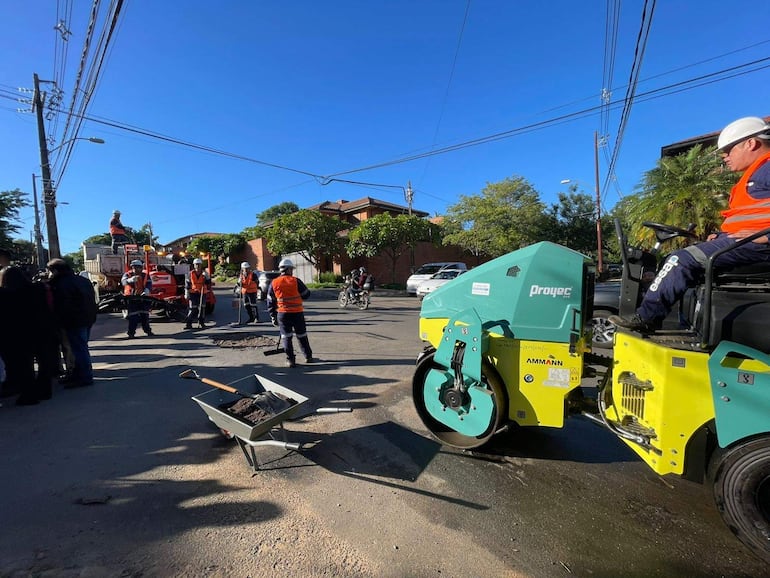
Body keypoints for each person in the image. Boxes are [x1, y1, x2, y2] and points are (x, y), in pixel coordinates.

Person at [610, 116, 770, 332]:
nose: (724, 156)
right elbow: (749, 216)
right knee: (677, 262)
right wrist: (720, 235)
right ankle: (690, 326)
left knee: (680, 259)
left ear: (750, 143)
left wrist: (767, 236)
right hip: (744, 242)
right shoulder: (754, 174)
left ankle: (646, 317)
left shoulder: (766, 169)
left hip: (759, 247)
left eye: (728, 150)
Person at [47, 258, 98, 388]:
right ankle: (77, 374)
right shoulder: (83, 280)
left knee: (79, 349)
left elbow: (62, 305)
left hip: (74, 321)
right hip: (87, 318)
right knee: (80, 348)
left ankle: (85, 377)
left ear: (56, 271)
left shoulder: (61, 284)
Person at [267, 258, 314, 368]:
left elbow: (270, 301)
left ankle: (290, 360)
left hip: (283, 314)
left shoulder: (274, 283)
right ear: (288, 269)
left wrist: (273, 316)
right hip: (297, 313)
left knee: (286, 337)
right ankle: (308, 357)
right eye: (291, 269)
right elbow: (306, 294)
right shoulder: (295, 281)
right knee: (302, 335)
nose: (292, 271)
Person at [121, 259, 154, 338]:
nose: (135, 269)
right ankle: (131, 333)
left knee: (145, 316)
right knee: (133, 318)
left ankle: (148, 331)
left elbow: (149, 284)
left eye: (137, 267)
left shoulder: (145, 275)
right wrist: (130, 280)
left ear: (141, 268)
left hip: (143, 298)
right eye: (134, 267)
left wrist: (147, 290)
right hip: (132, 299)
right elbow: (123, 282)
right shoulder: (127, 274)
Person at [184, 257, 211, 329]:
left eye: (199, 264)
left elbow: (209, 283)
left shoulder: (205, 274)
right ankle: (188, 323)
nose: (198, 266)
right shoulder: (190, 274)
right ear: (194, 265)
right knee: (193, 309)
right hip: (193, 293)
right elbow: (187, 285)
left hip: (202, 292)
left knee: (202, 308)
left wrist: (207, 278)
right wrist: (186, 293)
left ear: (201, 265)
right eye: (196, 264)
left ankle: (201, 322)